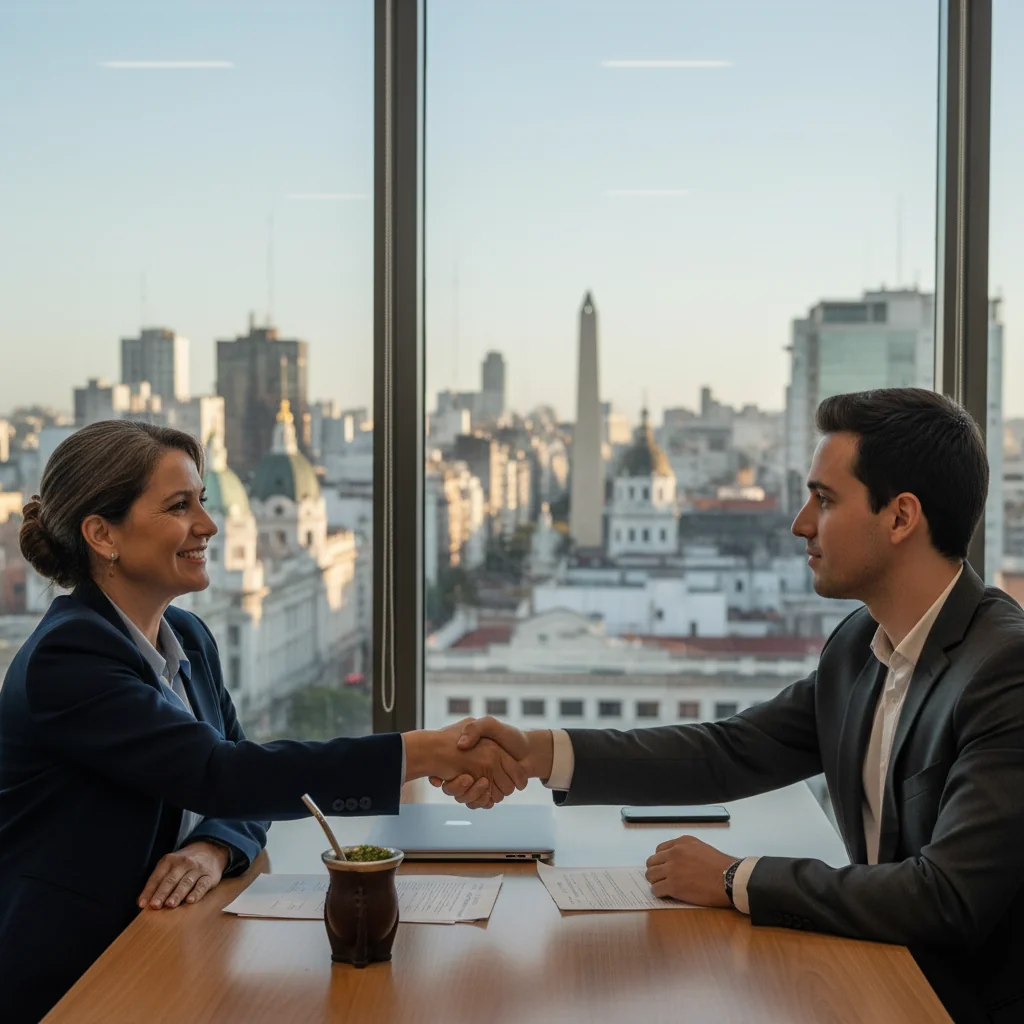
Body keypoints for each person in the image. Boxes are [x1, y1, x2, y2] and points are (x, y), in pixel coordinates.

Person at [439, 389, 1024, 1024]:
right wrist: (540, 754)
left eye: (824, 500)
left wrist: (733, 879)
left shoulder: (1003, 670)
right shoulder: (860, 645)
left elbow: (947, 897)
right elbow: (731, 749)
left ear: (901, 517)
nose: (801, 523)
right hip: (872, 975)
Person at [0, 420, 525, 1024]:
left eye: (202, 501)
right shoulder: (69, 659)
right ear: (102, 534)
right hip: (76, 979)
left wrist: (214, 847)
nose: (208, 525)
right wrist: (425, 752)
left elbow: (241, 790)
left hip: (173, 949)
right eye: (179, 506)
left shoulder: (188, 639)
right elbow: (224, 775)